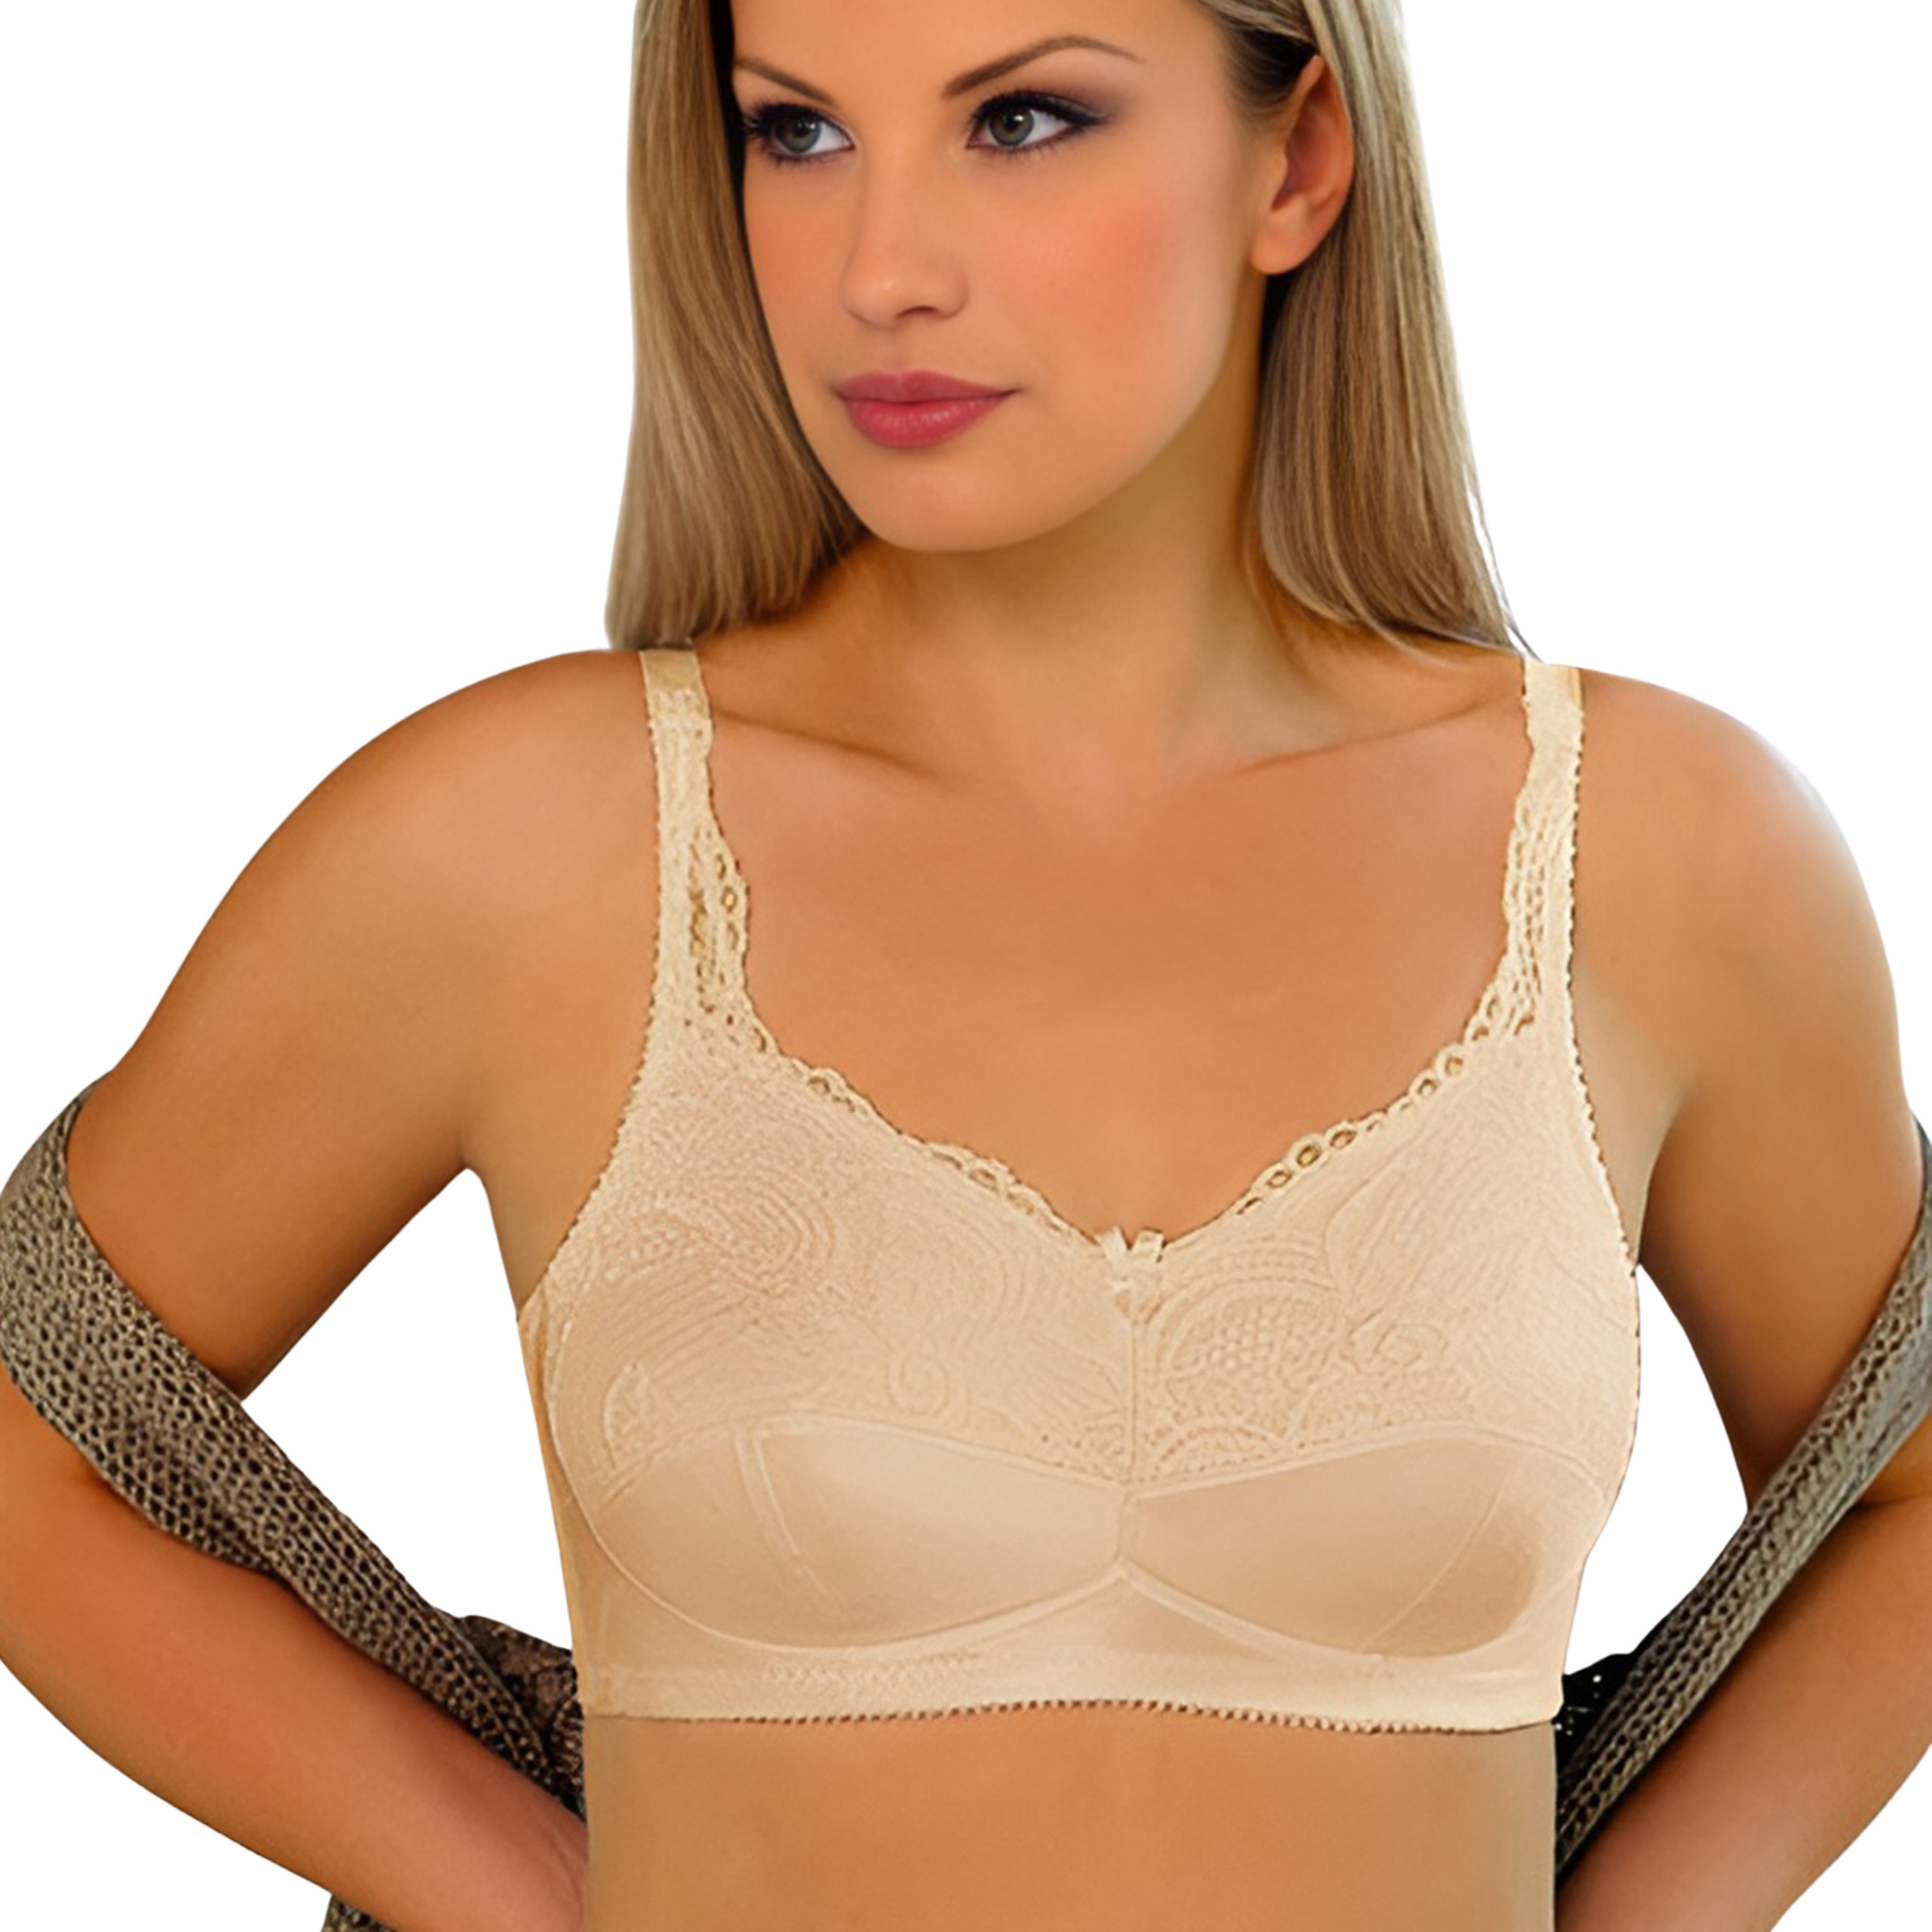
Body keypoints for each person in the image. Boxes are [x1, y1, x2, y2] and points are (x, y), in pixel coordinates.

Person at [1, 2, 1927, 1930]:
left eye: (1019, 118)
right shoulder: (526, 842)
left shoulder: (1658, 853)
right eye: (796, 132)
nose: (880, 272)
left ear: (1295, 160)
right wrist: (514, 1882)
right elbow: (33, 1440)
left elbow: (1900, 1506)